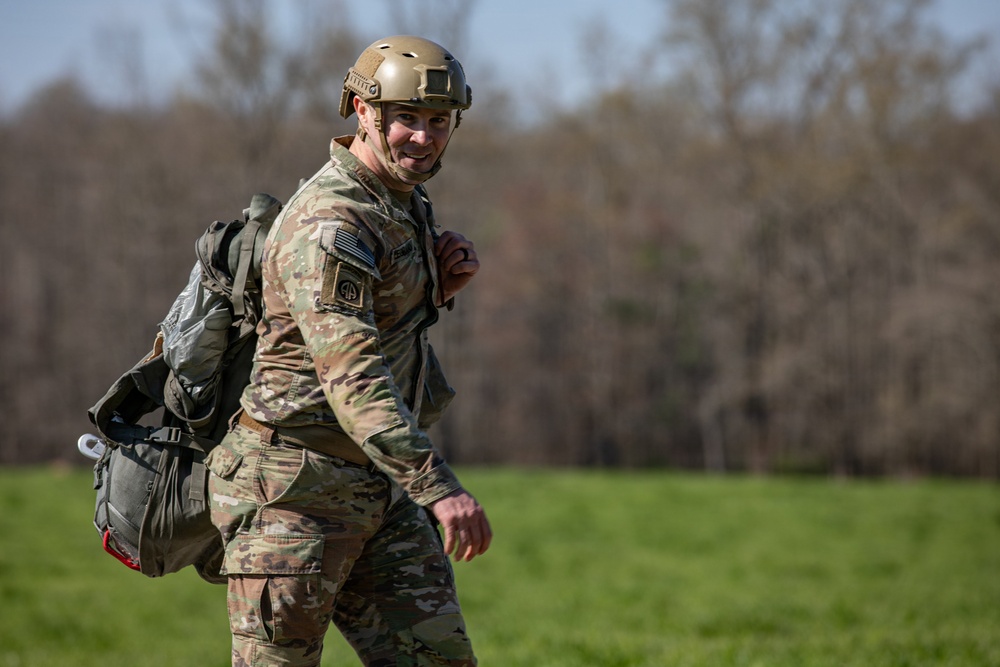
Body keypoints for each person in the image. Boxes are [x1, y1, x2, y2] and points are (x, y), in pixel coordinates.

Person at [206, 35, 492, 667]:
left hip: (375, 487)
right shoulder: (331, 220)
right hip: (292, 495)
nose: (423, 137)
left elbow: (370, 321)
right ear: (363, 111)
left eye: (439, 120)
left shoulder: (396, 199)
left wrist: (435, 287)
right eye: (406, 118)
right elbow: (352, 376)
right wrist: (438, 487)